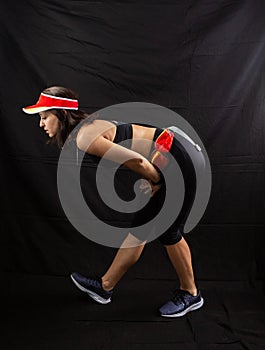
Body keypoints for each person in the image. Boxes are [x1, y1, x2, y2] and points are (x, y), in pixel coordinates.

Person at [22, 85, 204, 317]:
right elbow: (138, 149)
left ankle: (191, 293)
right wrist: (155, 176)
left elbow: (137, 161)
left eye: (44, 117)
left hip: (180, 158)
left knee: (169, 232)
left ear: (61, 114)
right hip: (169, 154)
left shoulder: (84, 137)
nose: (41, 123)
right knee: (140, 230)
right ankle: (105, 287)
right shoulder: (86, 125)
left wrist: (156, 180)